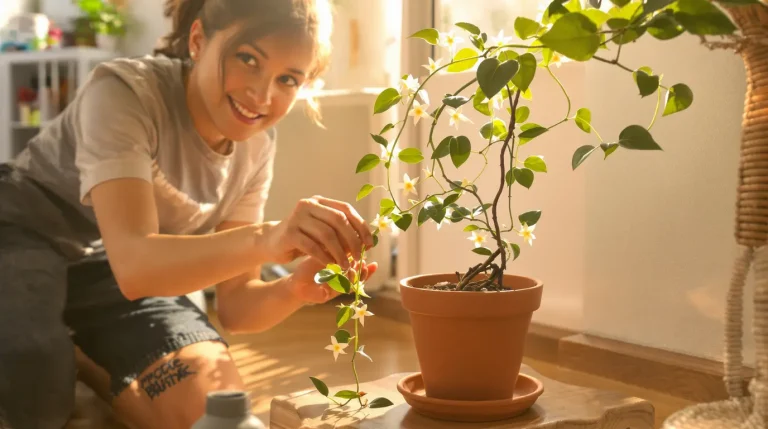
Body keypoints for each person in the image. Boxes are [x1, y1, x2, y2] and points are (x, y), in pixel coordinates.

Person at [0, 0, 377, 428]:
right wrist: (268, 238)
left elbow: (236, 306)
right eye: (248, 58)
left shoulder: (255, 148)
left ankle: (82, 356)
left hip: (114, 269)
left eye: (288, 79)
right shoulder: (123, 91)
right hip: (25, 229)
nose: (262, 95)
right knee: (34, 400)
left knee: (213, 410)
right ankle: (58, 352)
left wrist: (294, 288)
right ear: (198, 40)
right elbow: (137, 267)